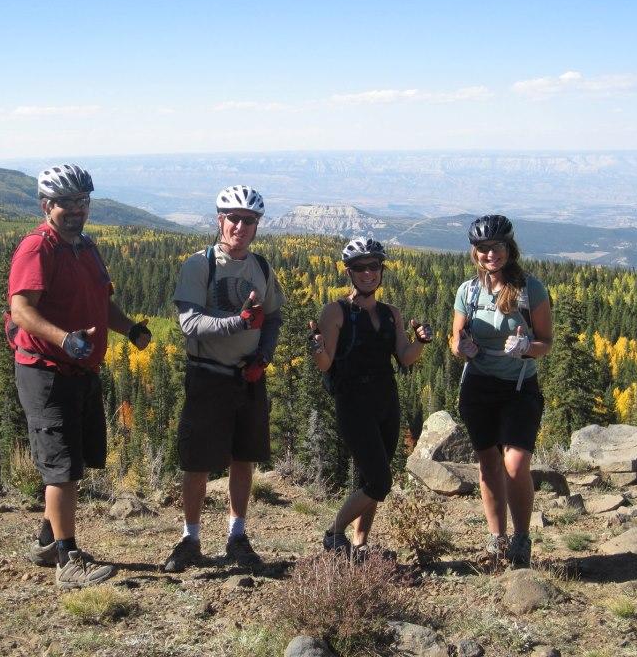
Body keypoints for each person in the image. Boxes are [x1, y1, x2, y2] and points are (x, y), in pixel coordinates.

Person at [8, 164, 152, 588]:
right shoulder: (38, 248)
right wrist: (64, 339)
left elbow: (101, 306)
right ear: (46, 205)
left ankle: (46, 541)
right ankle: (69, 562)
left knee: (73, 461)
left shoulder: (85, 248)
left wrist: (132, 330)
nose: (75, 210)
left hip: (80, 371)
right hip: (46, 372)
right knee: (62, 469)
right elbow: (22, 309)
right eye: (66, 203)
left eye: (82, 202)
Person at [164, 185, 285, 572]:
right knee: (198, 463)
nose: (240, 226)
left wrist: (264, 356)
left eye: (249, 220)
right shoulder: (199, 265)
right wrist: (238, 322)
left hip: (247, 377)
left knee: (243, 458)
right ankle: (190, 537)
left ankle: (237, 534)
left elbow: (274, 317)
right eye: (233, 218)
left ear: (257, 226)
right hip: (208, 376)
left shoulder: (262, 268)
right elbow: (190, 323)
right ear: (220, 220)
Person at [310, 237, 432, 560]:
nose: (368, 273)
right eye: (360, 268)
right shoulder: (335, 312)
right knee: (380, 481)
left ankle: (361, 545)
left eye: (373, 266)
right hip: (352, 402)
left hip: (386, 400)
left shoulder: (391, 314)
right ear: (349, 272)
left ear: (381, 270)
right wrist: (318, 348)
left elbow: (405, 357)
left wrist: (421, 341)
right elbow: (325, 364)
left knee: (371, 477)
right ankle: (334, 533)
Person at [450, 215, 552, 568]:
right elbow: (455, 339)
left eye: (497, 247)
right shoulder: (468, 291)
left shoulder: (530, 289)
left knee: (516, 463)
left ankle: (522, 537)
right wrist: (463, 348)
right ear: (474, 252)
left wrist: (526, 347)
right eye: (483, 248)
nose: (490, 254)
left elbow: (546, 343)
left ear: (510, 248)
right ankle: (498, 539)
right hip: (478, 386)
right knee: (489, 465)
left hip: (520, 385)